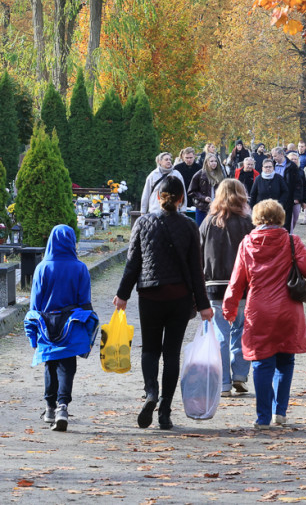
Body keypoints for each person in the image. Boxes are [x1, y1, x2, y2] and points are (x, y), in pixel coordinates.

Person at [113, 176, 214, 430]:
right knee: (171, 354)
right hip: (179, 298)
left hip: (150, 295)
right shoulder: (189, 226)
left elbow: (132, 263)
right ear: (182, 199)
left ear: (158, 197)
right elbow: (196, 270)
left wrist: (122, 295)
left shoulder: (143, 223)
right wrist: (203, 305)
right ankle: (165, 411)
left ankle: (150, 393)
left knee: (149, 350)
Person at [223, 199, 306, 429]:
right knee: (285, 360)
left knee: (261, 364)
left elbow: (237, 281)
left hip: (259, 311)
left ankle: (262, 418)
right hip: (288, 310)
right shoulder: (292, 241)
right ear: (280, 217)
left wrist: (230, 307)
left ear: (257, 218)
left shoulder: (247, 244)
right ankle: (280, 412)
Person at [24, 225, 99, 432]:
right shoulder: (80, 268)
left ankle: (49, 408)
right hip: (71, 325)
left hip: (47, 326)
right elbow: (85, 301)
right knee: (67, 367)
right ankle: (63, 407)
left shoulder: (42, 268)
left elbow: (35, 306)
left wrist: (33, 334)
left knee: (49, 365)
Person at [199, 179, 254, 397]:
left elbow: (198, 254)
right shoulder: (247, 222)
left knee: (220, 333)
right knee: (241, 329)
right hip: (241, 286)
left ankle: (223, 383)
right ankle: (240, 374)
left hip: (214, 285)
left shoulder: (208, 222)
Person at [188, 153, 225, 228]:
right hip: (202, 207)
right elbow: (191, 191)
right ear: (206, 162)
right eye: (211, 161)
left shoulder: (220, 174)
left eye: (215, 161)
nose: (214, 163)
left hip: (217, 207)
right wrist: (203, 198)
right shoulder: (199, 174)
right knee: (201, 229)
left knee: (216, 229)